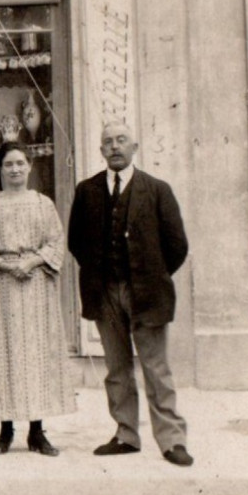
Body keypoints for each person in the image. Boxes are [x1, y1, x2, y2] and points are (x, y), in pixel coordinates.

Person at [67, 121, 193, 466]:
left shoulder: (157, 190)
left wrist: (151, 275)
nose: (114, 147)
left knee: (156, 368)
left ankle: (172, 441)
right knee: (117, 368)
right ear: (101, 150)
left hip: (147, 294)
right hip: (104, 293)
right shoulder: (86, 191)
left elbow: (177, 245)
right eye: (107, 142)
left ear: (135, 146)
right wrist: (101, 277)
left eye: (121, 140)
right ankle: (126, 435)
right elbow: (76, 242)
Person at [0, 142, 75, 455]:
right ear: (0, 169)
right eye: (8, 164)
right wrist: (4, 264)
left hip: (35, 284)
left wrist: (32, 261)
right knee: (3, 353)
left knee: (35, 354)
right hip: (0, 286)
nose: (15, 169)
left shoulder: (43, 204)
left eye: (20, 163)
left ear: (30, 166)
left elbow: (56, 241)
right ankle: (5, 430)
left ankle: (37, 431)